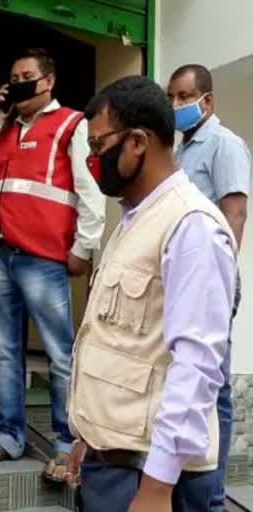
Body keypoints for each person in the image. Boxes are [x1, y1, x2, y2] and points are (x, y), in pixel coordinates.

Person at [64, 75, 237, 512]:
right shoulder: (133, 219)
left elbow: (197, 365)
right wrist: (91, 439)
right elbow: (124, 345)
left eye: (99, 146)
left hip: (151, 479)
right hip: (115, 463)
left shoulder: (191, 225)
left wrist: (157, 487)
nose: (90, 159)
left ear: (137, 142)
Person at [0, 47, 106, 480]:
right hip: (2, 255)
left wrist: (84, 247)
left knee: (59, 354)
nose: (19, 82)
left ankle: (66, 444)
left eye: (27, 75)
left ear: (48, 82)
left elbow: (90, 191)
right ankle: (9, 435)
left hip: (45, 258)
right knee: (7, 351)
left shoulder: (72, 124)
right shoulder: (6, 128)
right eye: (14, 76)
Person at [168, 63, 251, 511]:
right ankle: (186, 481)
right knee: (186, 380)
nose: (177, 105)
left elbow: (234, 215)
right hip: (181, 285)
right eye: (172, 98)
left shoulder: (224, 145)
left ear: (207, 100)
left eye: (184, 97)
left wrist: (216, 283)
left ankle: (211, 499)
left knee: (212, 386)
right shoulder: (181, 152)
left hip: (210, 285)